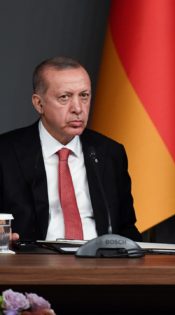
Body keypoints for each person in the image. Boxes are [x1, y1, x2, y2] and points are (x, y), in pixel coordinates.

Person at [0, 56, 142, 242]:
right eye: (64, 97)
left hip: (100, 263)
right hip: (32, 263)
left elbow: (126, 227)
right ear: (39, 103)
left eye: (84, 96)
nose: (78, 108)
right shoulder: (6, 152)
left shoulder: (109, 152)